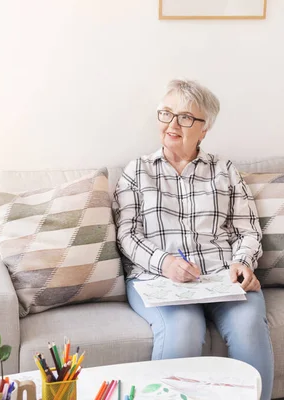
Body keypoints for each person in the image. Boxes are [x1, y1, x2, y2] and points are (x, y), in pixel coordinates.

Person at [113, 79, 274, 400]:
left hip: (222, 277)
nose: (172, 124)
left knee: (248, 328)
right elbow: (126, 234)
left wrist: (243, 262)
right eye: (166, 114)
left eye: (185, 117)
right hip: (158, 280)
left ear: (205, 128)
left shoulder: (225, 170)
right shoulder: (137, 171)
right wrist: (165, 262)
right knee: (183, 331)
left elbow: (248, 229)